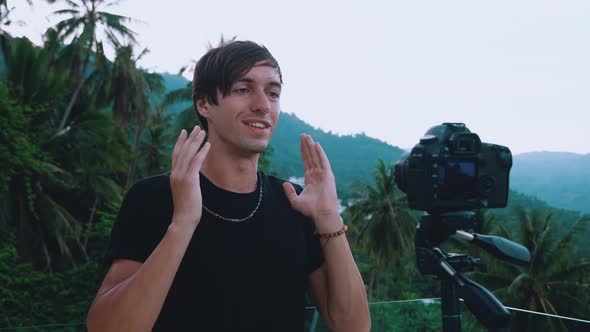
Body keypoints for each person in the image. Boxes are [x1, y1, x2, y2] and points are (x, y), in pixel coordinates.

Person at [86, 40, 370, 331]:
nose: (262, 105)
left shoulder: (295, 203)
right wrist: (183, 223)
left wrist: (327, 216)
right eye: (243, 89)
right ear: (205, 104)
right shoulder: (154, 198)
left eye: (273, 93)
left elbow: (354, 326)